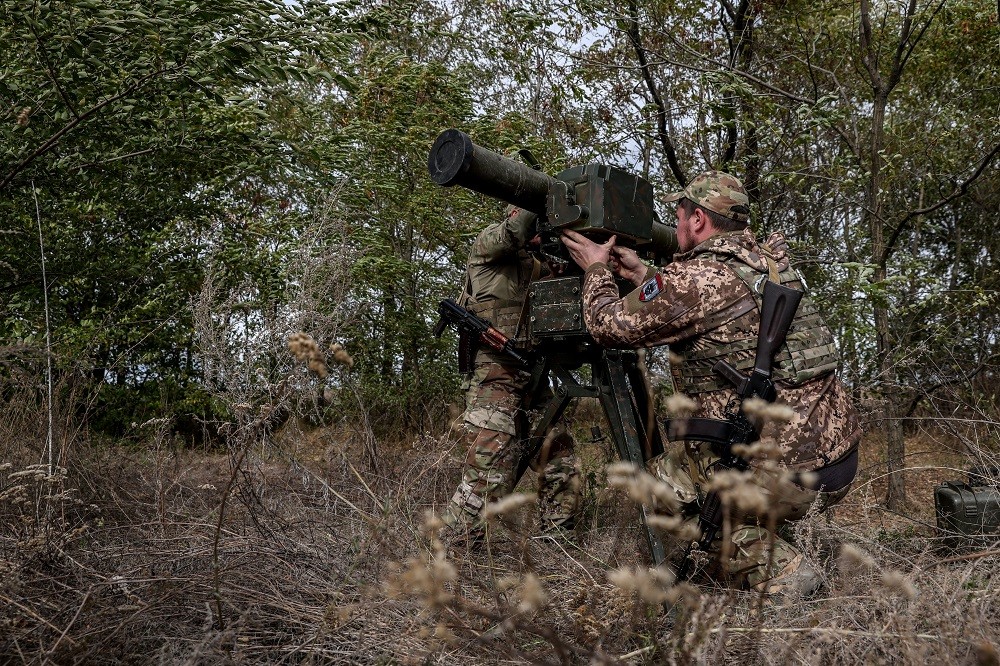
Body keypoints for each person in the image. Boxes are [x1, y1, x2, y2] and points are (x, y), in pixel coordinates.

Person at [561, 171, 861, 596]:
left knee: (663, 487)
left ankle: (783, 572)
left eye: (679, 215)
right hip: (837, 461)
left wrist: (595, 269)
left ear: (698, 220)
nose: (677, 224)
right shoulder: (771, 265)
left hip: (788, 477)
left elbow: (609, 326)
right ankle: (762, 528)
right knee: (693, 460)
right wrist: (646, 273)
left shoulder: (698, 280)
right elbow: (715, 304)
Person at [441, 205, 580, 547]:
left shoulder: (542, 264)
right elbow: (515, 230)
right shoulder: (488, 247)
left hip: (532, 374)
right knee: (489, 472)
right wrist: (539, 199)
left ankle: (557, 541)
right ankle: (451, 550)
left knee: (560, 456)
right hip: (494, 373)